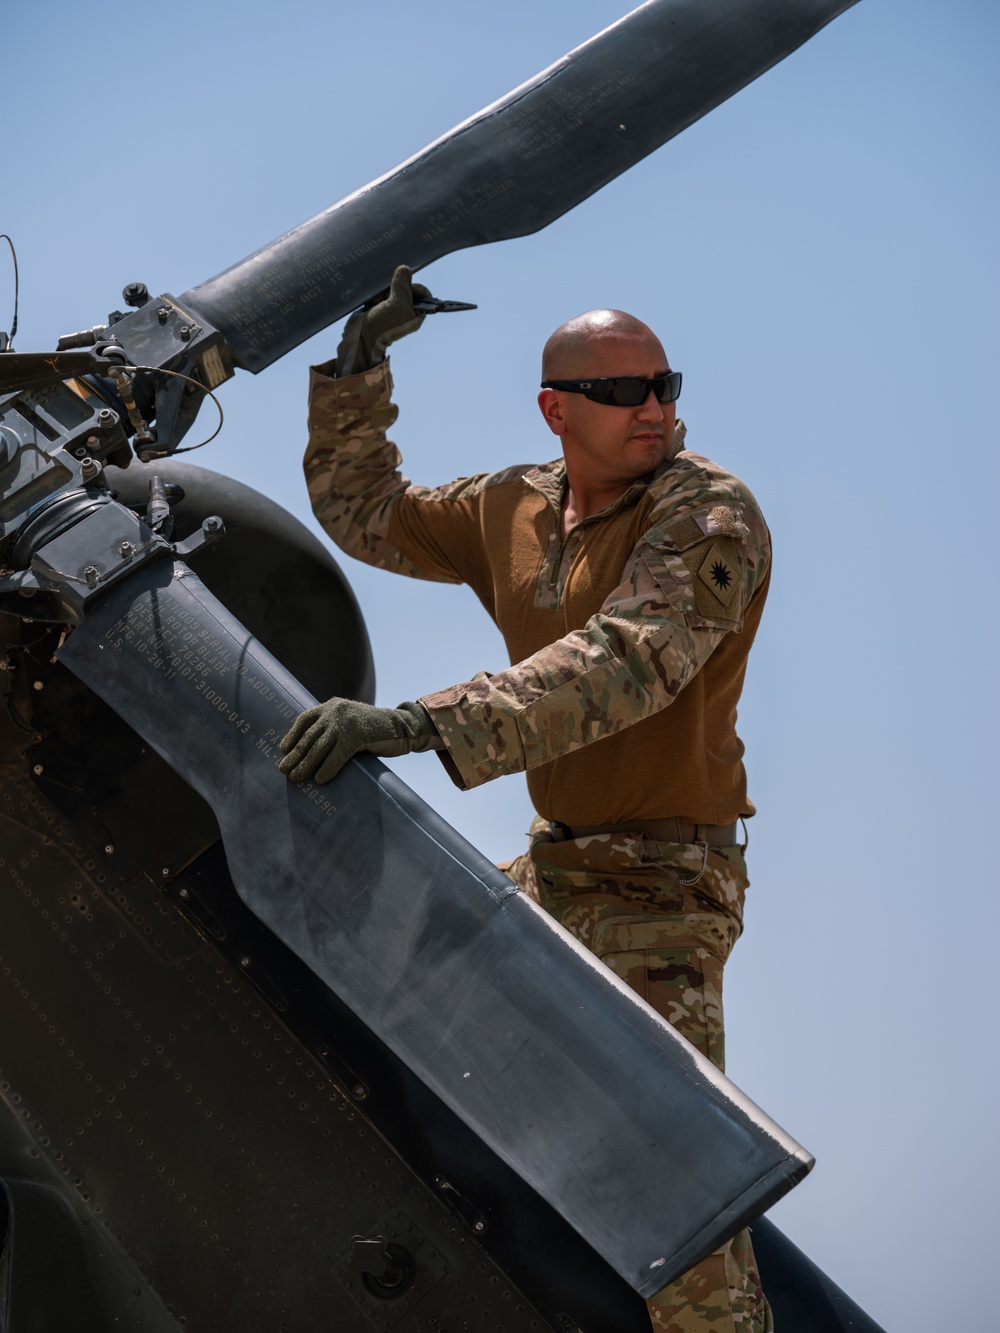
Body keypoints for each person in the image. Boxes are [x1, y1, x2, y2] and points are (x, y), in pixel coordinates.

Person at [280, 266, 773, 1333]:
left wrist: (416, 722)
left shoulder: (708, 512)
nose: (656, 406)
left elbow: (624, 663)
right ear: (556, 410)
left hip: (662, 887)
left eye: (665, 383)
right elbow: (364, 512)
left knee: (673, 1190)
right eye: (625, 390)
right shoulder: (513, 505)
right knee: (376, 1025)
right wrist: (358, 366)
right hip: (552, 869)